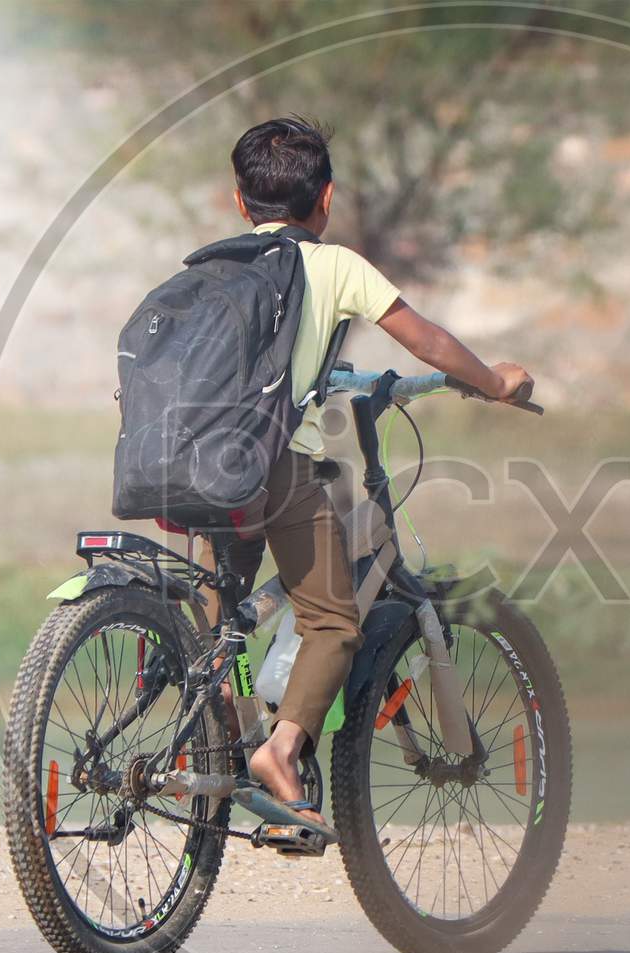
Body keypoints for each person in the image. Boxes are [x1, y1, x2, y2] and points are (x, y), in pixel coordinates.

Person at [212, 116, 532, 831]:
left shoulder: (210, 265)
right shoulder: (335, 267)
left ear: (239, 203)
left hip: (183, 465)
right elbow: (427, 339)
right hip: (268, 468)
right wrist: (493, 382)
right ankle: (281, 750)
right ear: (325, 199)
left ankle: (208, 741)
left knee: (217, 621)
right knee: (333, 617)